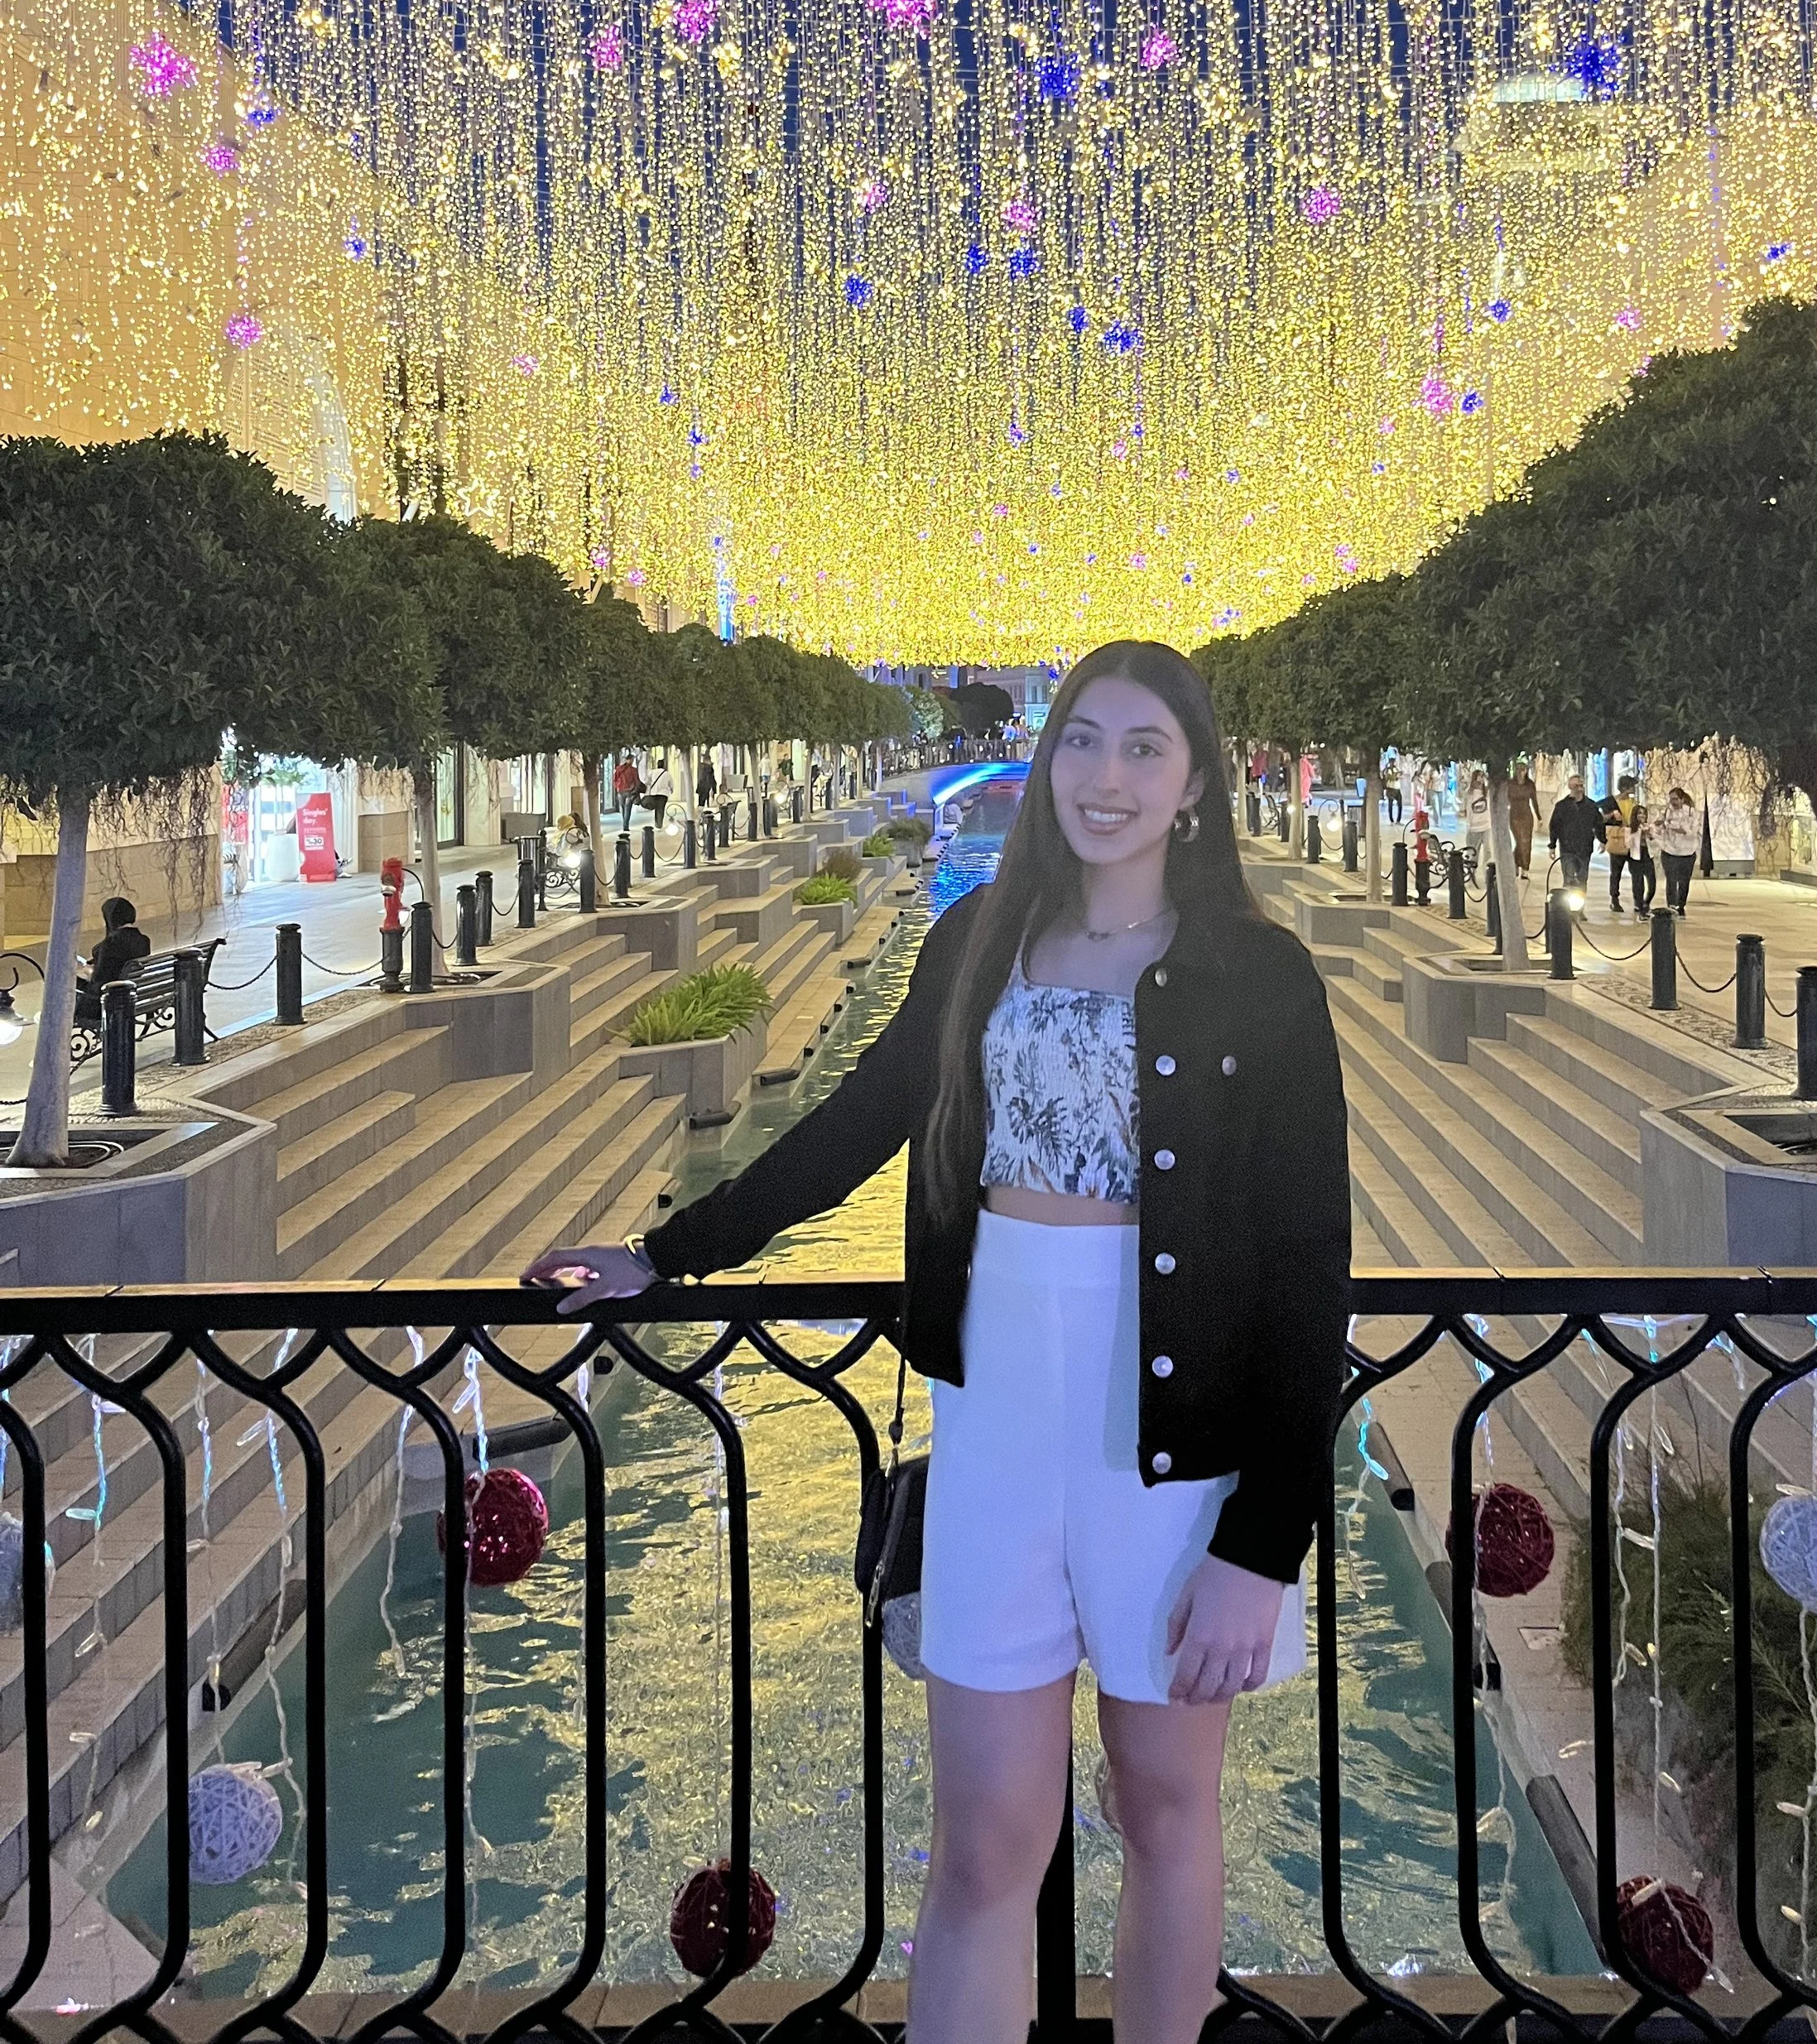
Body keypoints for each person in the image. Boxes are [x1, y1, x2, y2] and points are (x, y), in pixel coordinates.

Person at [523, 641, 1350, 2042]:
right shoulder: (977, 938)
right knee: (983, 1840)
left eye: (1146, 747)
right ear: (1048, 761)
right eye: (1084, 740)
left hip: (1180, 1440)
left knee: (1163, 1808)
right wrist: (665, 1252)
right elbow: (853, 1126)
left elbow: (1303, 1268)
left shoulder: (1260, 977)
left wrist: (1262, 1545)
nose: (1108, 775)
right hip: (996, 1427)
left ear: (1198, 779)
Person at [75, 895, 150, 1027]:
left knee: (61, 978)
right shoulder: (143, 941)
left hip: (105, 1002)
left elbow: (98, 978)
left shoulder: (110, 944)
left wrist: (88, 970)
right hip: (130, 996)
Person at [1546, 773, 1604, 901]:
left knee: (1582, 879)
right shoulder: (1562, 806)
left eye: (1581, 785)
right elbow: (1554, 826)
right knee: (1569, 879)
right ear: (1570, 787)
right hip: (1567, 849)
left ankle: (1579, 908)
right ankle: (1568, 909)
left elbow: (1599, 823)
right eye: (1576, 786)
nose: (1579, 788)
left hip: (1585, 849)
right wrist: (1552, 845)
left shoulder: (1591, 806)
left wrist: (1602, 840)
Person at [1654, 787, 1703, 914]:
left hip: (1687, 852)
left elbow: (1692, 833)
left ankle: (1681, 905)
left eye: (1675, 799)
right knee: (1671, 880)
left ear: (1682, 799)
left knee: (1684, 881)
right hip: (1669, 851)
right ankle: (1671, 905)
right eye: (1671, 799)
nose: (1673, 802)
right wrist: (1660, 825)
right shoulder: (1666, 812)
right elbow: (1658, 828)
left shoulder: (1692, 813)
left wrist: (1676, 827)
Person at [1507, 767, 1541, 876]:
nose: (1521, 772)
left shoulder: (1530, 784)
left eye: (1523, 769)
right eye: (1518, 769)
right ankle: (1516, 864)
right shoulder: (1511, 784)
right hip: (1514, 815)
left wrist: (1539, 816)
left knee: (1526, 842)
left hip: (1526, 816)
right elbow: (1505, 799)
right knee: (1519, 841)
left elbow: (1534, 800)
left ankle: (1525, 868)